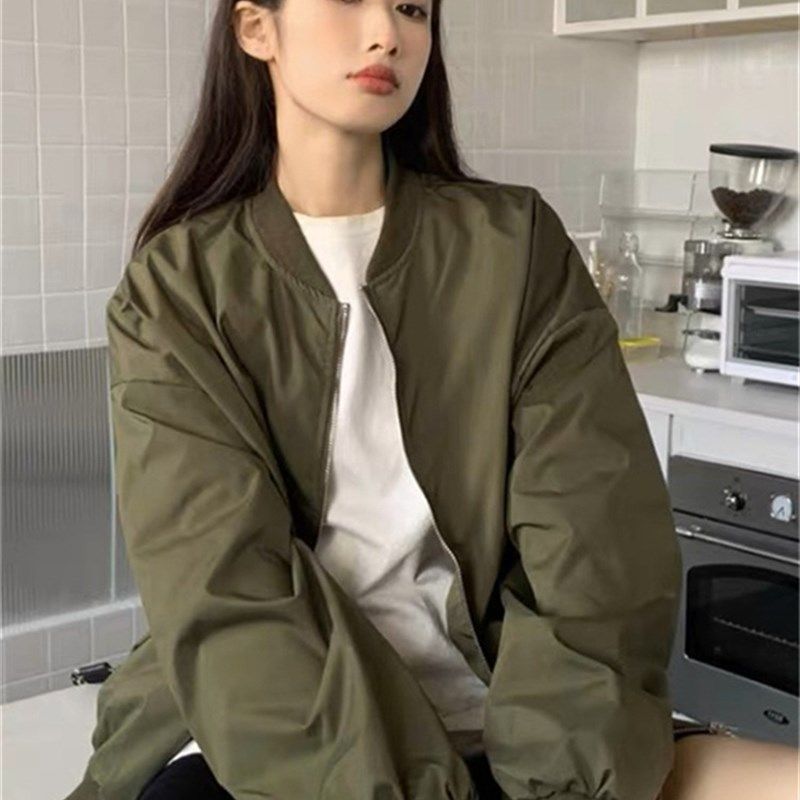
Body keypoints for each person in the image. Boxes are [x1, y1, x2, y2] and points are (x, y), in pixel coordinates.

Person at [63, 1, 798, 799]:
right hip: (276, 746)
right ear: (255, 29)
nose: (388, 32)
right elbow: (227, 592)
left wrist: (566, 783)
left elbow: (595, 545)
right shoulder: (177, 288)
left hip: (525, 716)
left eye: (413, 8)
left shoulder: (514, 245)